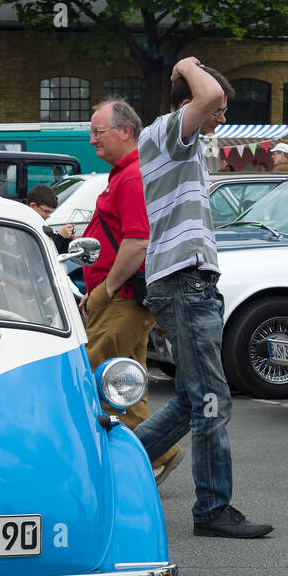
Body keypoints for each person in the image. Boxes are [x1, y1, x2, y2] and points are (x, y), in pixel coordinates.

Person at [134, 58, 273, 538]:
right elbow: (208, 96)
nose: (223, 117)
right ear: (187, 103)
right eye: (220, 110)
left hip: (188, 283)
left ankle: (114, 466)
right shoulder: (167, 133)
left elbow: (209, 99)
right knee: (212, 397)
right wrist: (188, 64)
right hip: (182, 281)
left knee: (199, 398)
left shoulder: (178, 145)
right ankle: (212, 509)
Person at [80, 100, 183, 487]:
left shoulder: (131, 177)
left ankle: (160, 452)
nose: (92, 141)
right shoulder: (125, 174)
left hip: (121, 299)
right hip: (120, 297)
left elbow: (137, 242)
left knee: (101, 380)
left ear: (125, 131)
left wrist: (104, 290)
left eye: (97, 132)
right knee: (126, 384)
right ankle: (150, 459)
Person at [26, 184, 74, 253]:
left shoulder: (37, 224)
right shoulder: (25, 226)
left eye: (50, 212)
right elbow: (41, 255)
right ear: (33, 206)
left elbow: (58, 255)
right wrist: (60, 237)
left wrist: (66, 239)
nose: (49, 216)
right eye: (46, 211)